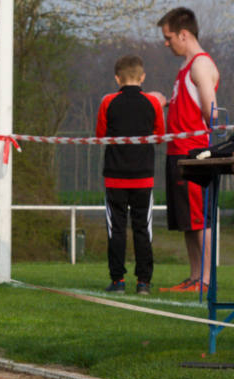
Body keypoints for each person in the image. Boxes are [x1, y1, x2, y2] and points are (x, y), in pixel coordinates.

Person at [157, 7, 220, 293]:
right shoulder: (184, 67)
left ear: (184, 34)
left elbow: (211, 112)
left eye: (169, 37)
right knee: (186, 220)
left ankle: (205, 279)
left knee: (199, 218)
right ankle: (194, 277)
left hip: (193, 155)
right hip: (176, 152)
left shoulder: (200, 65)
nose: (166, 43)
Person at [97, 55, 166, 295]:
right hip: (143, 177)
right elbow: (160, 135)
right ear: (142, 76)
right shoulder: (153, 103)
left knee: (116, 229)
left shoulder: (108, 101)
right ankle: (143, 283)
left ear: (117, 78)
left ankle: (117, 281)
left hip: (114, 177)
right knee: (142, 229)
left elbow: (100, 136)